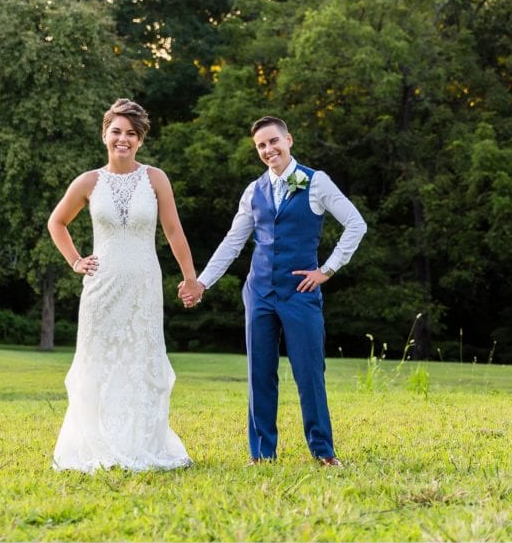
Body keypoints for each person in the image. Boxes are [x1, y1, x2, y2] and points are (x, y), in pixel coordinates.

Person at [179, 116, 366, 467]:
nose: (268, 150)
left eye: (273, 142)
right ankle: (262, 454)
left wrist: (327, 270)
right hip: (259, 292)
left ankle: (323, 452)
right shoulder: (253, 191)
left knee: (309, 372)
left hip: (300, 293)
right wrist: (202, 282)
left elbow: (356, 224)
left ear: (289, 140)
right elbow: (233, 242)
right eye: (261, 146)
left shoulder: (316, 182)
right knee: (260, 373)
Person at [48, 98, 197, 472]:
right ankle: (97, 443)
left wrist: (190, 277)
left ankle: (140, 443)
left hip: (144, 286)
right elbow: (57, 223)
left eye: (132, 133)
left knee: (141, 363)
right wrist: (77, 261)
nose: (123, 139)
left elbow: (174, 231)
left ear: (141, 140)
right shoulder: (88, 182)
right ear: (105, 134)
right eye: (117, 131)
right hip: (102, 288)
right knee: (99, 363)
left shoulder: (155, 178)